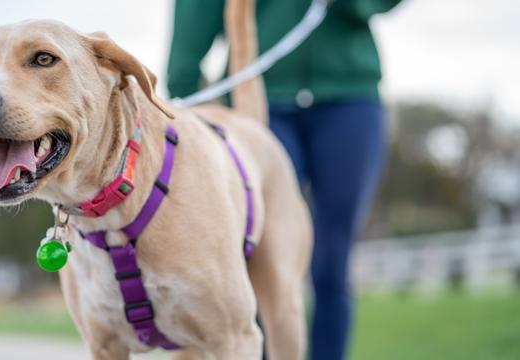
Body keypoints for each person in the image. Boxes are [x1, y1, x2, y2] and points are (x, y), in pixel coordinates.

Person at [167, 0, 402, 359]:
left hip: (348, 100)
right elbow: (196, 12)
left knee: (332, 261)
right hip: (258, 98)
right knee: (255, 256)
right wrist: (182, 94)